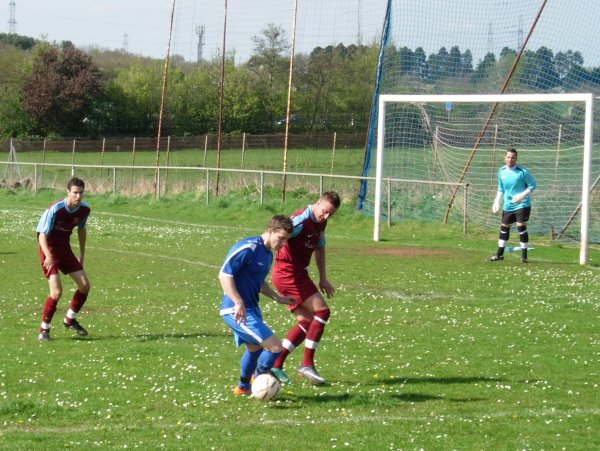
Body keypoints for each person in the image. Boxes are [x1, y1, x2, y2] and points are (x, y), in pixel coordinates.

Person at [219, 215, 296, 396]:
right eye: (281, 238)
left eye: (286, 240)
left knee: (254, 348)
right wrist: (238, 302)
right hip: (235, 309)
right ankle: (259, 382)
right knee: (276, 347)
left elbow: (259, 282)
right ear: (270, 231)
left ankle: (242, 387)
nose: (283, 243)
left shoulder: (267, 255)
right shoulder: (249, 248)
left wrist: (277, 298)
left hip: (251, 308)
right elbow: (224, 275)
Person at [270, 191, 340, 385]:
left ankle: (275, 364)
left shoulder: (320, 222)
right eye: (324, 211)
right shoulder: (300, 220)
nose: (325, 217)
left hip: (297, 273)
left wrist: (323, 278)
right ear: (318, 203)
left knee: (307, 321)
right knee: (323, 311)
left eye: (330, 215)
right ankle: (306, 364)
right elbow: (276, 235)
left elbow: (320, 248)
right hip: (288, 273)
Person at [37, 177, 92, 341]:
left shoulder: (84, 210)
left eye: (81, 193)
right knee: (56, 292)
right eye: (75, 192)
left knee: (85, 286)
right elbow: (42, 235)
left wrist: (82, 253)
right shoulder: (55, 209)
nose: (78, 196)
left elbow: (81, 230)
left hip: (65, 250)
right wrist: (48, 255)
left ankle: (70, 318)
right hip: (49, 249)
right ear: (68, 192)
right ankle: (44, 330)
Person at [490, 148, 537, 263]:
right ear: (505, 158)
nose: (510, 160)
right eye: (508, 157)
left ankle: (524, 256)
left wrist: (522, 195)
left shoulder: (522, 172)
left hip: (522, 204)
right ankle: (499, 255)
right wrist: (496, 201)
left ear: (516, 159)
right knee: (504, 227)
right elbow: (501, 188)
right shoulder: (501, 171)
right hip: (508, 205)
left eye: (513, 158)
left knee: (521, 226)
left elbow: (532, 185)